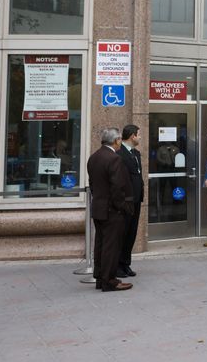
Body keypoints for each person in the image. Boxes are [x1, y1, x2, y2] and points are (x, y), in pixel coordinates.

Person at [86, 128, 134, 292]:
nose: (120, 142)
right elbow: (117, 188)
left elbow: (93, 184)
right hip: (112, 210)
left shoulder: (94, 157)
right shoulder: (114, 159)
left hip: (98, 207)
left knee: (100, 244)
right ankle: (109, 280)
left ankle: (100, 277)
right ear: (116, 141)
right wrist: (122, 207)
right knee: (111, 247)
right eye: (120, 139)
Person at [117, 125, 144, 279]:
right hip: (126, 200)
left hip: (136, 199)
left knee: (132, 232)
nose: (140, 138)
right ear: (132, 136)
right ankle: (118, 265)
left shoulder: (136, 153)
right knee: (123, 232)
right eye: (139, 135)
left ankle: (126, 263)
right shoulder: (119, 154)